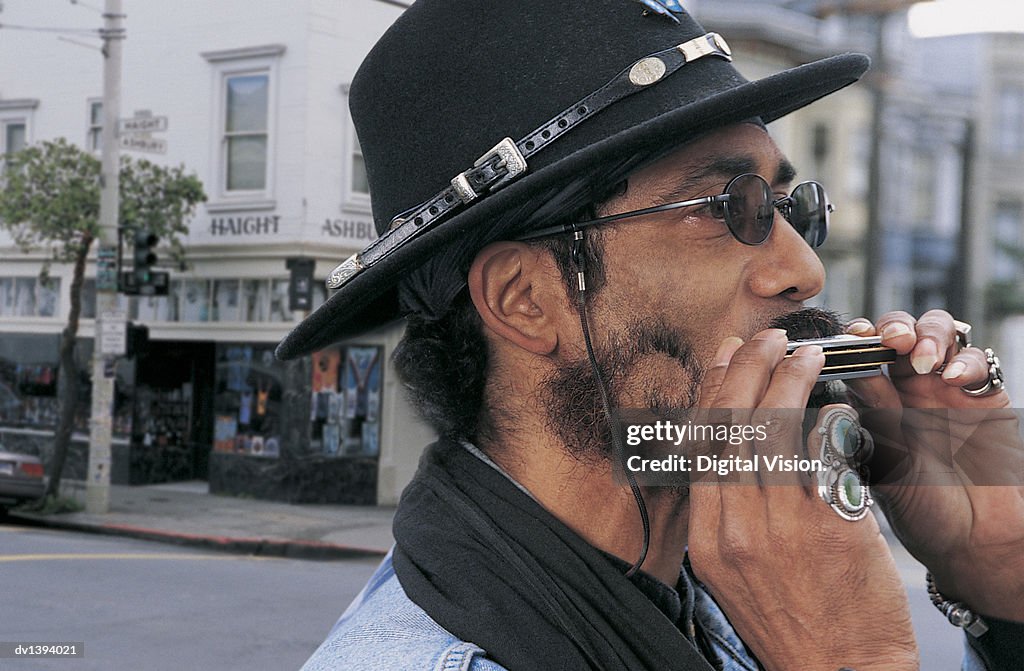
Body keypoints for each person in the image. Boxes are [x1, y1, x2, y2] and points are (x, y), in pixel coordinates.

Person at [277, 1, 1024, 669]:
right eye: (728, 205)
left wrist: (998, 580)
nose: (805, 271)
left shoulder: (736, 590)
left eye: (792, 208)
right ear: (525, 299)